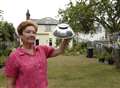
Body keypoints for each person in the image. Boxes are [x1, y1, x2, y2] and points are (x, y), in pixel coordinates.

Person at [4, 20, 70, 88]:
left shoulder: (42, 50)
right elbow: (10, 84)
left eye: (34, 32)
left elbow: (59, 50)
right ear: (21, 35)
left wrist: (66, 37)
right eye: (28, 32)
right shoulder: (14, 56)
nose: (32, 34)